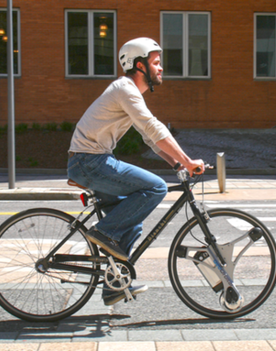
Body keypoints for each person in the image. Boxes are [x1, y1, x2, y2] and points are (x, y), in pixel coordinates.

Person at [66, 37, 205, 305]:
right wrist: (188, 161)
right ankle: (102, 231)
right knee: (155, 188)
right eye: (156, 62)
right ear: (139, 65)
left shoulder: (128, 93)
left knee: (132, 223)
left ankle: (113, 284)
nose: (161, 67)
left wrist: (177, 165)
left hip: (91, 160)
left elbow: (149, 139)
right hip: (89, 160)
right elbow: (154, 128)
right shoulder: (125, 89)